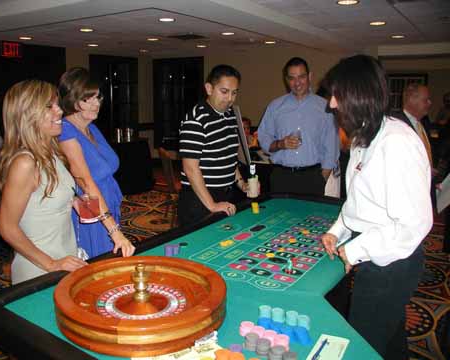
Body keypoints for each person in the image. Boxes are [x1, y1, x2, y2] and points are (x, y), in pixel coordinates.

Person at [321, 55, 433, 360]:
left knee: (361, 344)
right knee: (388, 336)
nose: (331, 104)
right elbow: (358, 203)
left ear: (358, 94)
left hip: (393, 264)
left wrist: (354, 250)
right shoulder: (364, 136)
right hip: (375, 254)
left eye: (336, 95)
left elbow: (414, 224)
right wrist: (338, 232)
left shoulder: (396, 143)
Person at [0, 80, 87, 285]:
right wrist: (52, 264)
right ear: (27, 114)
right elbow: (7, 227)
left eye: (57, 104)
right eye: (49, 106)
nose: (59, 110)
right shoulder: (25, 162)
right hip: (39, 269)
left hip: (65, 259)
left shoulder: (51, 153)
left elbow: (45, 197)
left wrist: (74, 201)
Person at [58, 67, 135, 258]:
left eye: (97, 97)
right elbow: (85, 182)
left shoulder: (92, 128)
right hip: (90, 213)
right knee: (97, 268)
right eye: (87, 99)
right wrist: (114, 231)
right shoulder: (66, 131)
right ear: (72, 100)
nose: (96, 104)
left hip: (106, 207)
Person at [178, 64, 251, 225]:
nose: (229, 99)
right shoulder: (196, 119)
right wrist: (212, 205)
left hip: (225, 195)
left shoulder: (230, 115)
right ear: (209, 88)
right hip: (200, 200)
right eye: (224, 92)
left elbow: (229, 157)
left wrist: (242, 184)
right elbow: (190, 168)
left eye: (234, 93)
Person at [258, 57, 339, 196]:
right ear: (286, 80)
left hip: (312, 177)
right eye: (292, 78)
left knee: (310, 218)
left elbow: (332, 148)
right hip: (281, 177)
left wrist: (321, 178)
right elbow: (263, 138)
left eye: (301, 77)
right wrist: (280, 144)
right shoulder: (275, 106)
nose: (297, 83)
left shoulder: (325, 107)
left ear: (310, 76)